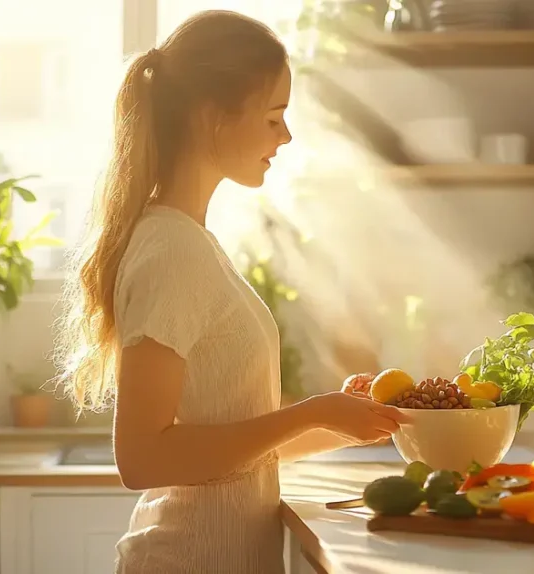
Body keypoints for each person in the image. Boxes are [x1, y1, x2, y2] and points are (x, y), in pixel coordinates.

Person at [54, 10, 410, 574]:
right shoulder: (172, 250)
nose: (285, 136)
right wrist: (310, 411)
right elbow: (143, 458)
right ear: (211, 117)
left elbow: (234, 456)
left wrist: (335, 423)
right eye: (273, 118)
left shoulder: (190, 240)